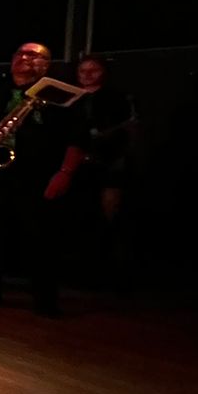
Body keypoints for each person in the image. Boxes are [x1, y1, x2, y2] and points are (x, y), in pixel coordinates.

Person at [0, 41, 82, 315]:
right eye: (20, 53)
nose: (25, 58)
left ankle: (45, 299)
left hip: (37, 175)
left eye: (34, 55)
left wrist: (65, 173)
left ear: (46, 64)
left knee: (40, 240)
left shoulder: (62, 96)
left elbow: (77, 139)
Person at [72, 53, 135, 283]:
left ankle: (109, 272)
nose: (87, 75)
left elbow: (127, 131)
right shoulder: (71, 99)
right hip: (77, 165)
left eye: (93, 70)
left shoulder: (117, 98)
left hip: (108, 163)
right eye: (82, 71)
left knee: (109, 216)